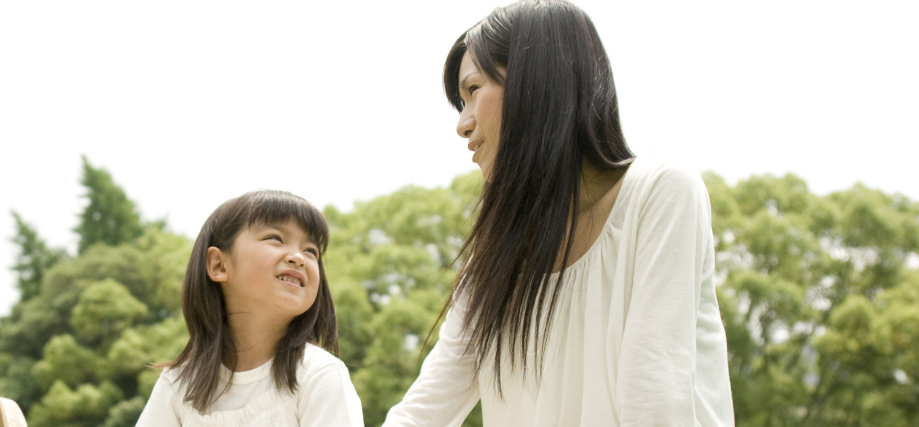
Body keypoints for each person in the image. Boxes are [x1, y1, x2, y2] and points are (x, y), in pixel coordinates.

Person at [383, 1, 734, 426]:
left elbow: (654, 392)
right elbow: (428, 407)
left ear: (536, 83)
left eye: (473, 90)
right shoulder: (498, 251)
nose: (463, 123)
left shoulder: (659, 191)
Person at [136, 190, 364, 426]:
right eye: (275, 238)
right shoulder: (178, 384)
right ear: (218, 265)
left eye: (311, 251)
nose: (298, 257)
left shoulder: (318, 374)